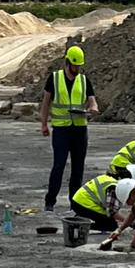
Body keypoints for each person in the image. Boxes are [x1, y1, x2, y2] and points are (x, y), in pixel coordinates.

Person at [40, 45, 98, 211]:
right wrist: (44, 124)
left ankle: (75, 204)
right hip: (61, 130)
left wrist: (93, 108)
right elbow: (46, 103)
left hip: (79, 130)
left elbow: (92, 101)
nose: (77, 69)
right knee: (59, 165)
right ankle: (50, 201)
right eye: (75, 66)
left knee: (78, 168)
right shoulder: (55, 78)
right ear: (67, 62)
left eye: (79, 66)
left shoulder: (84, 80)